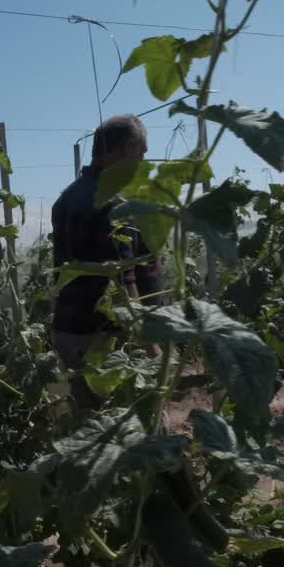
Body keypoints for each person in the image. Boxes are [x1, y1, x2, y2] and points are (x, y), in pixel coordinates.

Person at [51, 114, 161, 408]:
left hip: (68, 330)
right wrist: (153, 349)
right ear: (127, 149)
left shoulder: (65, 198)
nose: (143, 161)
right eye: (142, 152)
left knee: (89, 425)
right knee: (135, 424)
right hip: (104, 340)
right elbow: (123, 283)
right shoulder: (113, 204)